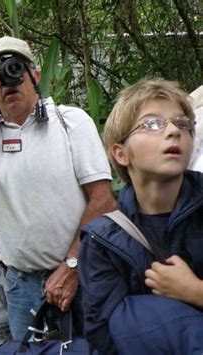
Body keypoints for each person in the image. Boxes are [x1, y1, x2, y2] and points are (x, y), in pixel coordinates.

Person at [0, 36, 115, 339]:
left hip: (80, 275)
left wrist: (71, 266)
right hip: (19, 285)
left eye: (16, 68)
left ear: (35, 76)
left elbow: (103, 201)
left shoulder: (70, 122)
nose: (10, 79)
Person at [79, 78, 203, 354]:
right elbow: (104, 336)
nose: (173, 130)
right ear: (121, 153)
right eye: (152, 124)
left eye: (183, 124)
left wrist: (195, 291)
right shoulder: (102, 240)